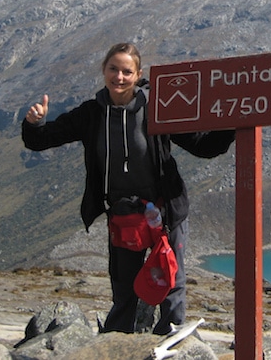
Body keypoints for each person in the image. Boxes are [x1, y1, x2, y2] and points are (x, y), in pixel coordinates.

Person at [21, 42, 235, 334]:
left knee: (171, 280)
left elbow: (203, 146)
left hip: (164, 210)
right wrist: (34, 123)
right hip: (123, 215)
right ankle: (116, 342)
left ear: (138, 74)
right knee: (124, 289)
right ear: (104, 70)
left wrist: (234, 122)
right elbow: (42, 139)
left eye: (126, 71)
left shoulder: (158, 107)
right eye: (113, 69)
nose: (119, 77)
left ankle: (171, 339)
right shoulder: (91, 114)